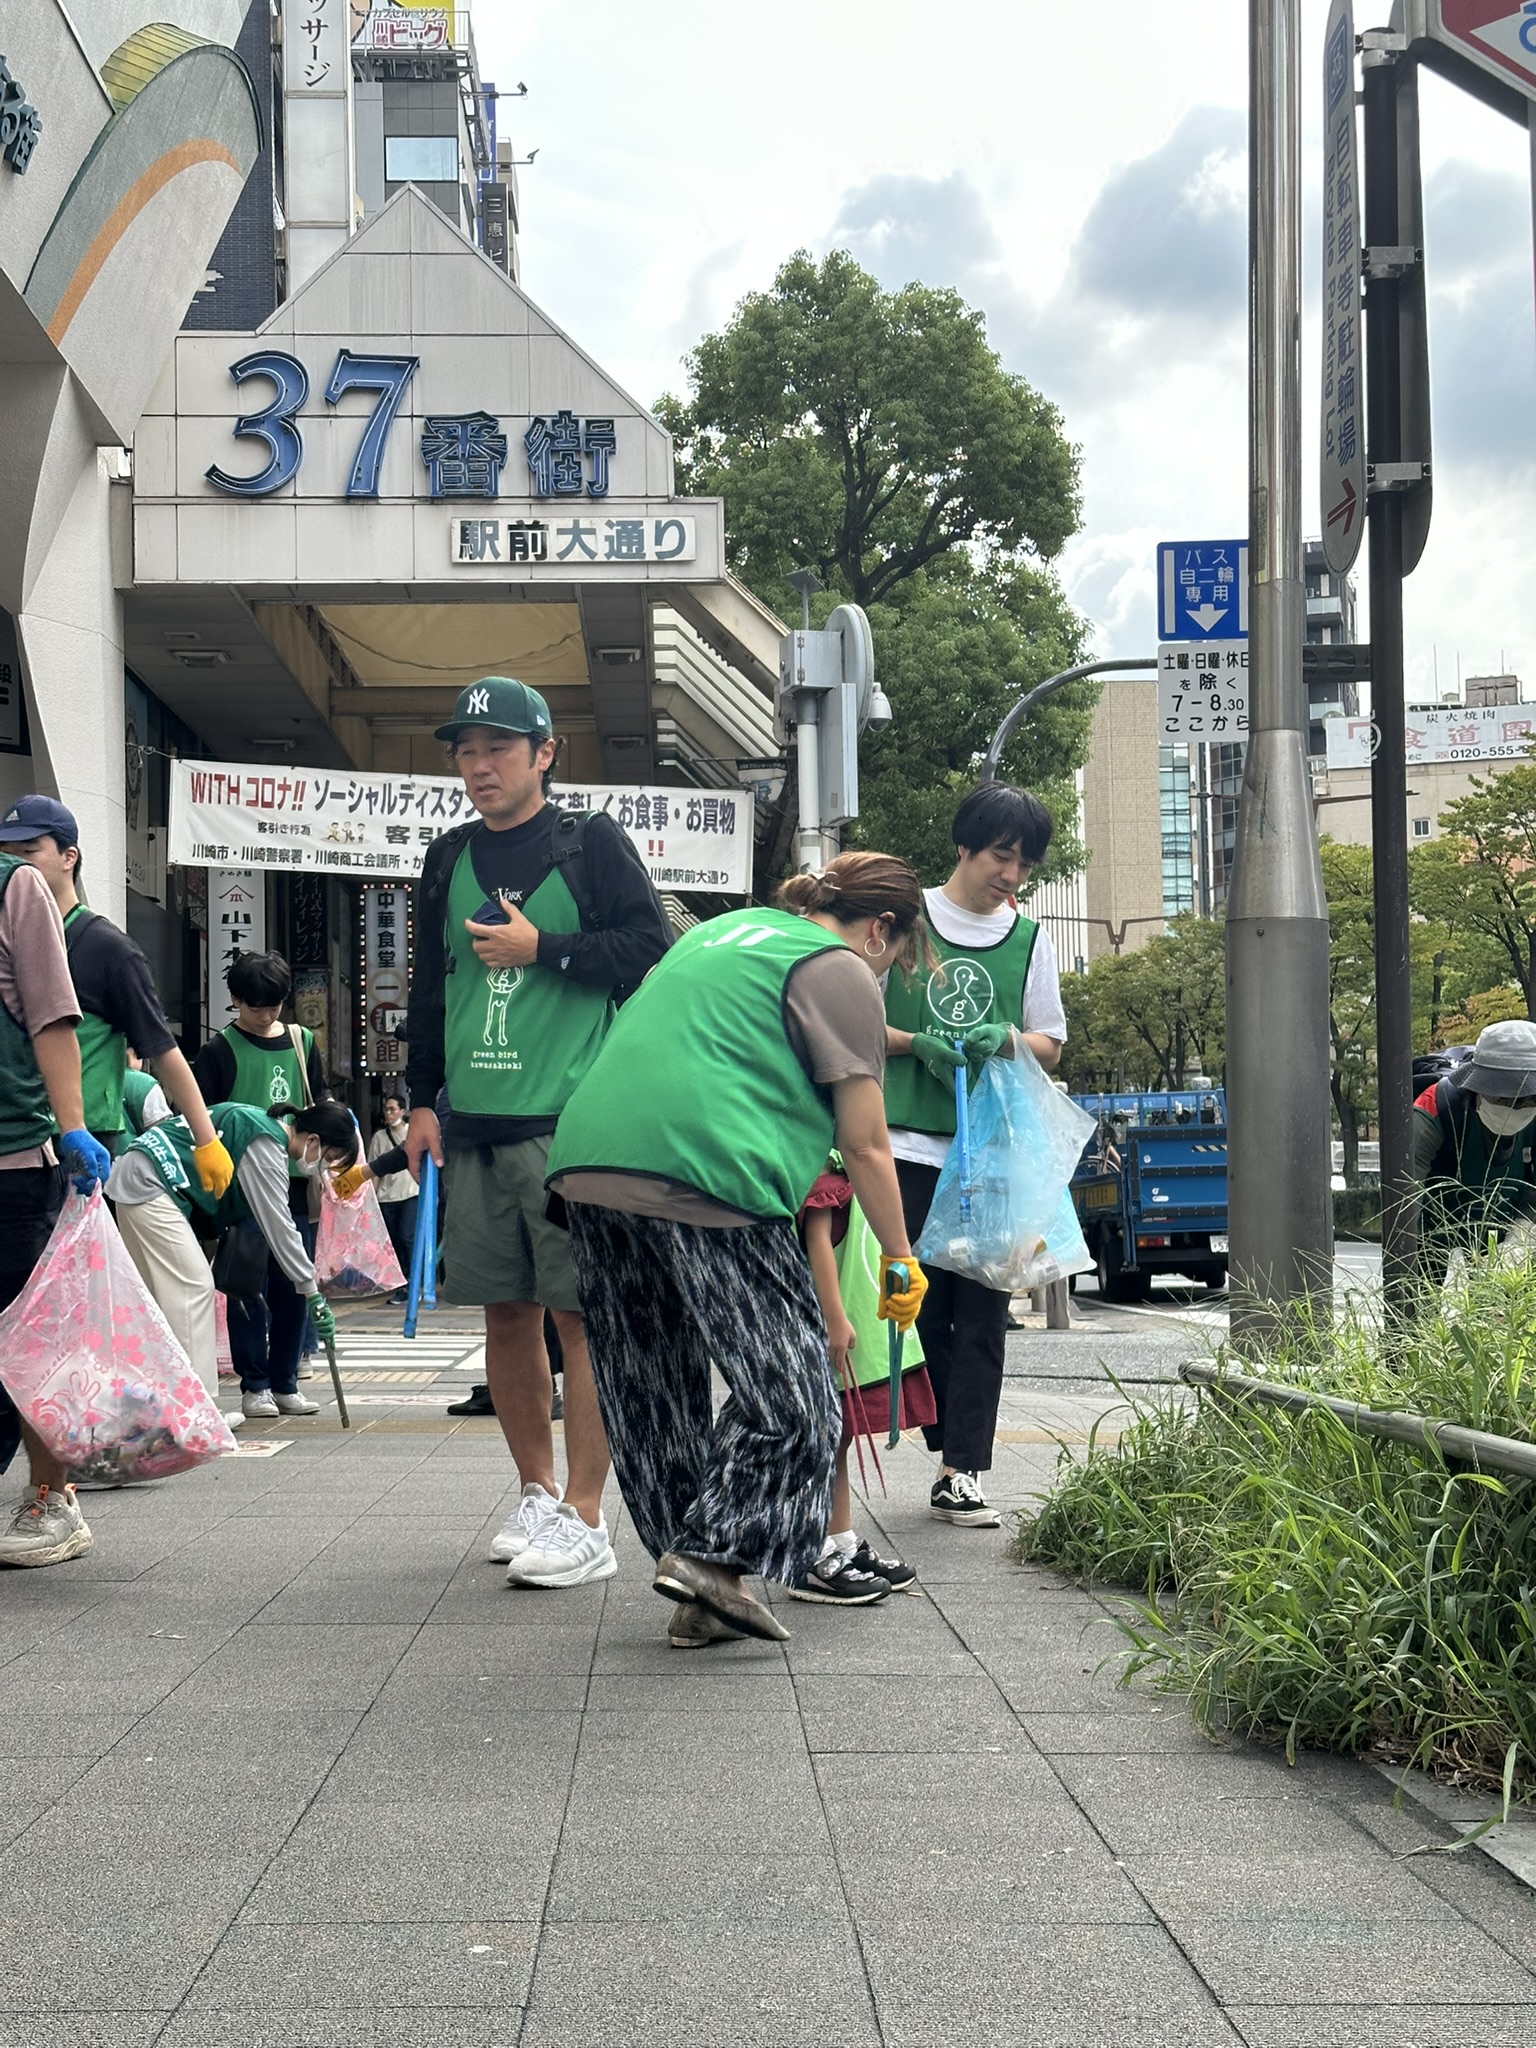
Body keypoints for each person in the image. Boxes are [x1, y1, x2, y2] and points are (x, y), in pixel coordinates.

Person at [545, 851, 930, 1646]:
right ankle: (711, 1559)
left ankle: (701, 1590)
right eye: (895, 957)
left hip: (590, 1161)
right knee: (798, 1396)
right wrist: (900, 1256)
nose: (886, 972)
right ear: (881, 929)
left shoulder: (724, 933)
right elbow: (865, 1145)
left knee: (653, 1390)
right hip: (709, 1165)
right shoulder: (842, 969)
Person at [404, 676, 672, 1590]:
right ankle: (536, 1491)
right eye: (466, 751)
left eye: (498, 749)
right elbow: (431, 985)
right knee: (505, 1312)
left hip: (570, 1121)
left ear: (545, 753)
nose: (478, 766)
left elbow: (651, 949)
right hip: (475, 1120)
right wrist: (422, 1099)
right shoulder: (447, 855)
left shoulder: (588, 842)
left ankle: (588, 1516)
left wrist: (543, 949)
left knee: (580, 1316)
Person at [882, 782, 1066, 1530]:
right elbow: (847, 1017)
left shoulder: (1030, 939)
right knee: (919, 1309)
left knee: (985, 1312)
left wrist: (1010, 1040)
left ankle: (963, 1469)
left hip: (989, 1154)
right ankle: (944, 1434)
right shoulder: (904, 920)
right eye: (1000, 856)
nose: (1010, 875)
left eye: (1024, 864)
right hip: (901, 1147)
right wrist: (912, 1043)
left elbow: (1051, 1041)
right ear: (963, 846)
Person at [0, 796, 233, 1194]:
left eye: (28, 851)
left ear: (69, 857)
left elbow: (160, 1046)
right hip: (22, 1138)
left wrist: (206, 1138)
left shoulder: (107, 949)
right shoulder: (11, 933)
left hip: (83, 1142)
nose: (17, 863)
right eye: (7, 853)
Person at [0, 849, 112, 1567]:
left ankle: (52, 1498)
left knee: (30, 1343)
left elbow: (50, 1017)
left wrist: (71, 1125)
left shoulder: (15, 886)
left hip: (10, 1155)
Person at [105, 1101, 347, 1416]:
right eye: (328, 1158)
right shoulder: (264, 1142)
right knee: (194, 1289)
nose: (324, 1168)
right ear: (313, 1140)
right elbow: (279, 1227)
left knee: (162, 1300)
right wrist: (311, 1291)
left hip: (140, 1178)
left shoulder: (256, 1121)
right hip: (150, 1184)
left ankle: (160, 1403)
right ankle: (200, 1411)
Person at [194, 950, 330, 1406]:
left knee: (294, 1281)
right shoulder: (218, 1051)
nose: (266, 1015)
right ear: (235, 1000)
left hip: (294, 1180)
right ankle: (255, 1386)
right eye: (256, 1008)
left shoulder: (301, 1041)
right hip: (242, 1188)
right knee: (248, 1283)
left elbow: (319, 1100)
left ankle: (286, 1381)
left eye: (274, 1006)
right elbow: (204, 1117)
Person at [793, 1159, 928, 1605]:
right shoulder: (825, 1167)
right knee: (822, 1439)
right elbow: (818, 1240)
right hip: (835, 1331)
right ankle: (814, 1551)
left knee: (837, 1438)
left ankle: (840, 1540)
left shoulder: (844, 1166)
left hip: (851, 1331)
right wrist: (834, 1318)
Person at [1414, 1021, 1536, 1281]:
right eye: (1503, 1098)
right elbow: (1402, 1198)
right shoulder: (1434, 1108)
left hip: (1508, 1227)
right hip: (1433, 1230)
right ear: (1476, 1087)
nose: (1515, 1108)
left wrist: (1522, 1235)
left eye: (1529, 1099)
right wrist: (1427, 1257)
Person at [368, 1092, 417, 1302]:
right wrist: (371, 1199)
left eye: (392, 1109)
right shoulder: (379, 1137)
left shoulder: (412, 1132)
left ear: (402, 1111)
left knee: (407, 1238)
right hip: (386, 1197)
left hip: (410, 1193)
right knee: (394, 1243)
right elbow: (374, 1170)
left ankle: (413, 1283)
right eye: (386, 1110)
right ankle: (402, 1285)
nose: (388, 1113)